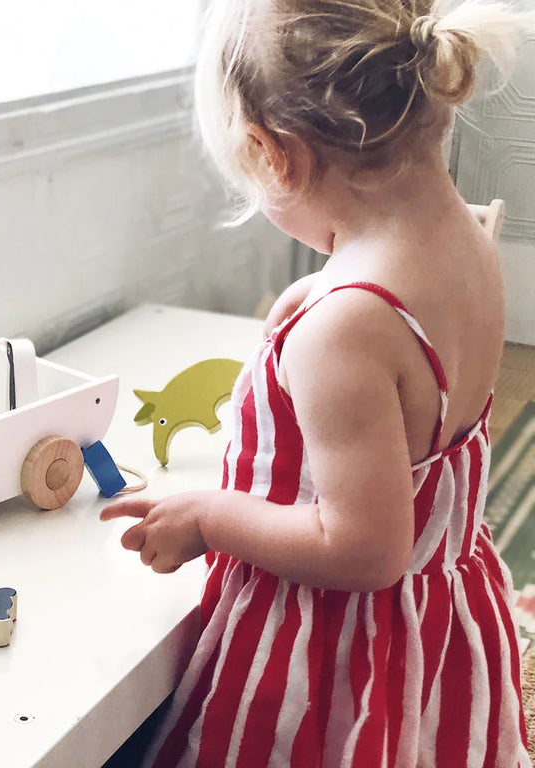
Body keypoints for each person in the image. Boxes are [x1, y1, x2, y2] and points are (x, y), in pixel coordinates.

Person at [100, 1, 535, 765]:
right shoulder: (469, 238)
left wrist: (210, 515)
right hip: (441, 620)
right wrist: (340, 286)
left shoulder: (346, 329)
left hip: (337, 657)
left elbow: (363, 548)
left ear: (278, 157)